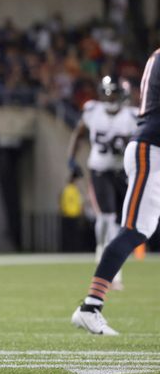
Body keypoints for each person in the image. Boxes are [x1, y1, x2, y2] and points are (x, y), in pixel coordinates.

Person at [72, 49, 160, 335]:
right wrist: (70, 162)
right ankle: (90, 306)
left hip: (143, 153)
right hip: (151, 151)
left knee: (131, 228)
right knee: (132, 228)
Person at [67, 76, 137, 289]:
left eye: (114, 94)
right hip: (99, 170)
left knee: (122, 221)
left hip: (124, 173)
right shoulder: (92, 111)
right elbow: (78, 134)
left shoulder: (132, 116)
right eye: (107, 93)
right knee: (106, 217)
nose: (110, 98)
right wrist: (71, 159)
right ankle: (103, 254)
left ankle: (111, 263)